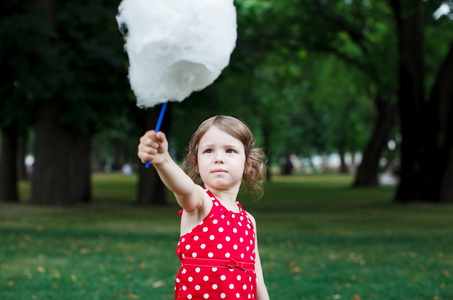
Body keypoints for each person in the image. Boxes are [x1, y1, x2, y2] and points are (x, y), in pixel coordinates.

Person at [137, 115, 270, 300]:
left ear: (248, 164)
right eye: (208, 151)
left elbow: (258, 280)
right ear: (196, 164)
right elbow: (184, 189)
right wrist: (163, 160)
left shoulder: (248, 221)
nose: (218, 158)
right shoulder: (201, 202)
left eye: (230, 150)